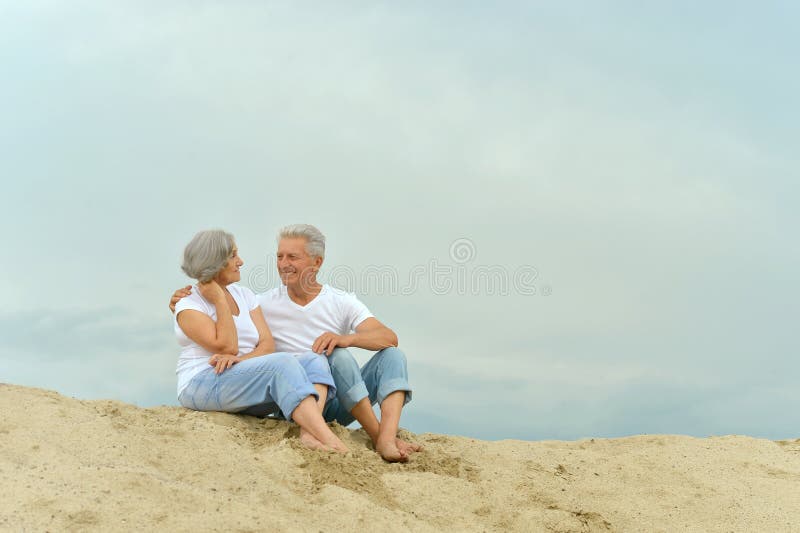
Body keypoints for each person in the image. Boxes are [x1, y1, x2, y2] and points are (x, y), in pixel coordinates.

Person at [171, 224, 420, 462]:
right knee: (333, 357)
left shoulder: (341, 301)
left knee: (389, 356)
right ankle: (332, 433)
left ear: (317, 262)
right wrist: (180, 301)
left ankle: (385, 438)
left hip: (333, 395)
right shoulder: (264, 301)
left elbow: (388, 337)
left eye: (292, 257)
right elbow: (219, 330)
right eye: (279, 257)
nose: (283, 264)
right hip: (289, 396)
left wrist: (345, 338)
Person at [173, 229, 347, 453]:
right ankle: (331, 441)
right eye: (233, 255)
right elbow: (227, 346)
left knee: (314, 360)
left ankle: (309, 433)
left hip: (239, 381)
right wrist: (218, 299)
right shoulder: (189, 305)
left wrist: (241, 361)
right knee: (282, 364)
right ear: (215, 261)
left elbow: (267, 346)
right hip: (201, 383)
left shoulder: (244, 295)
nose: (241, 261)